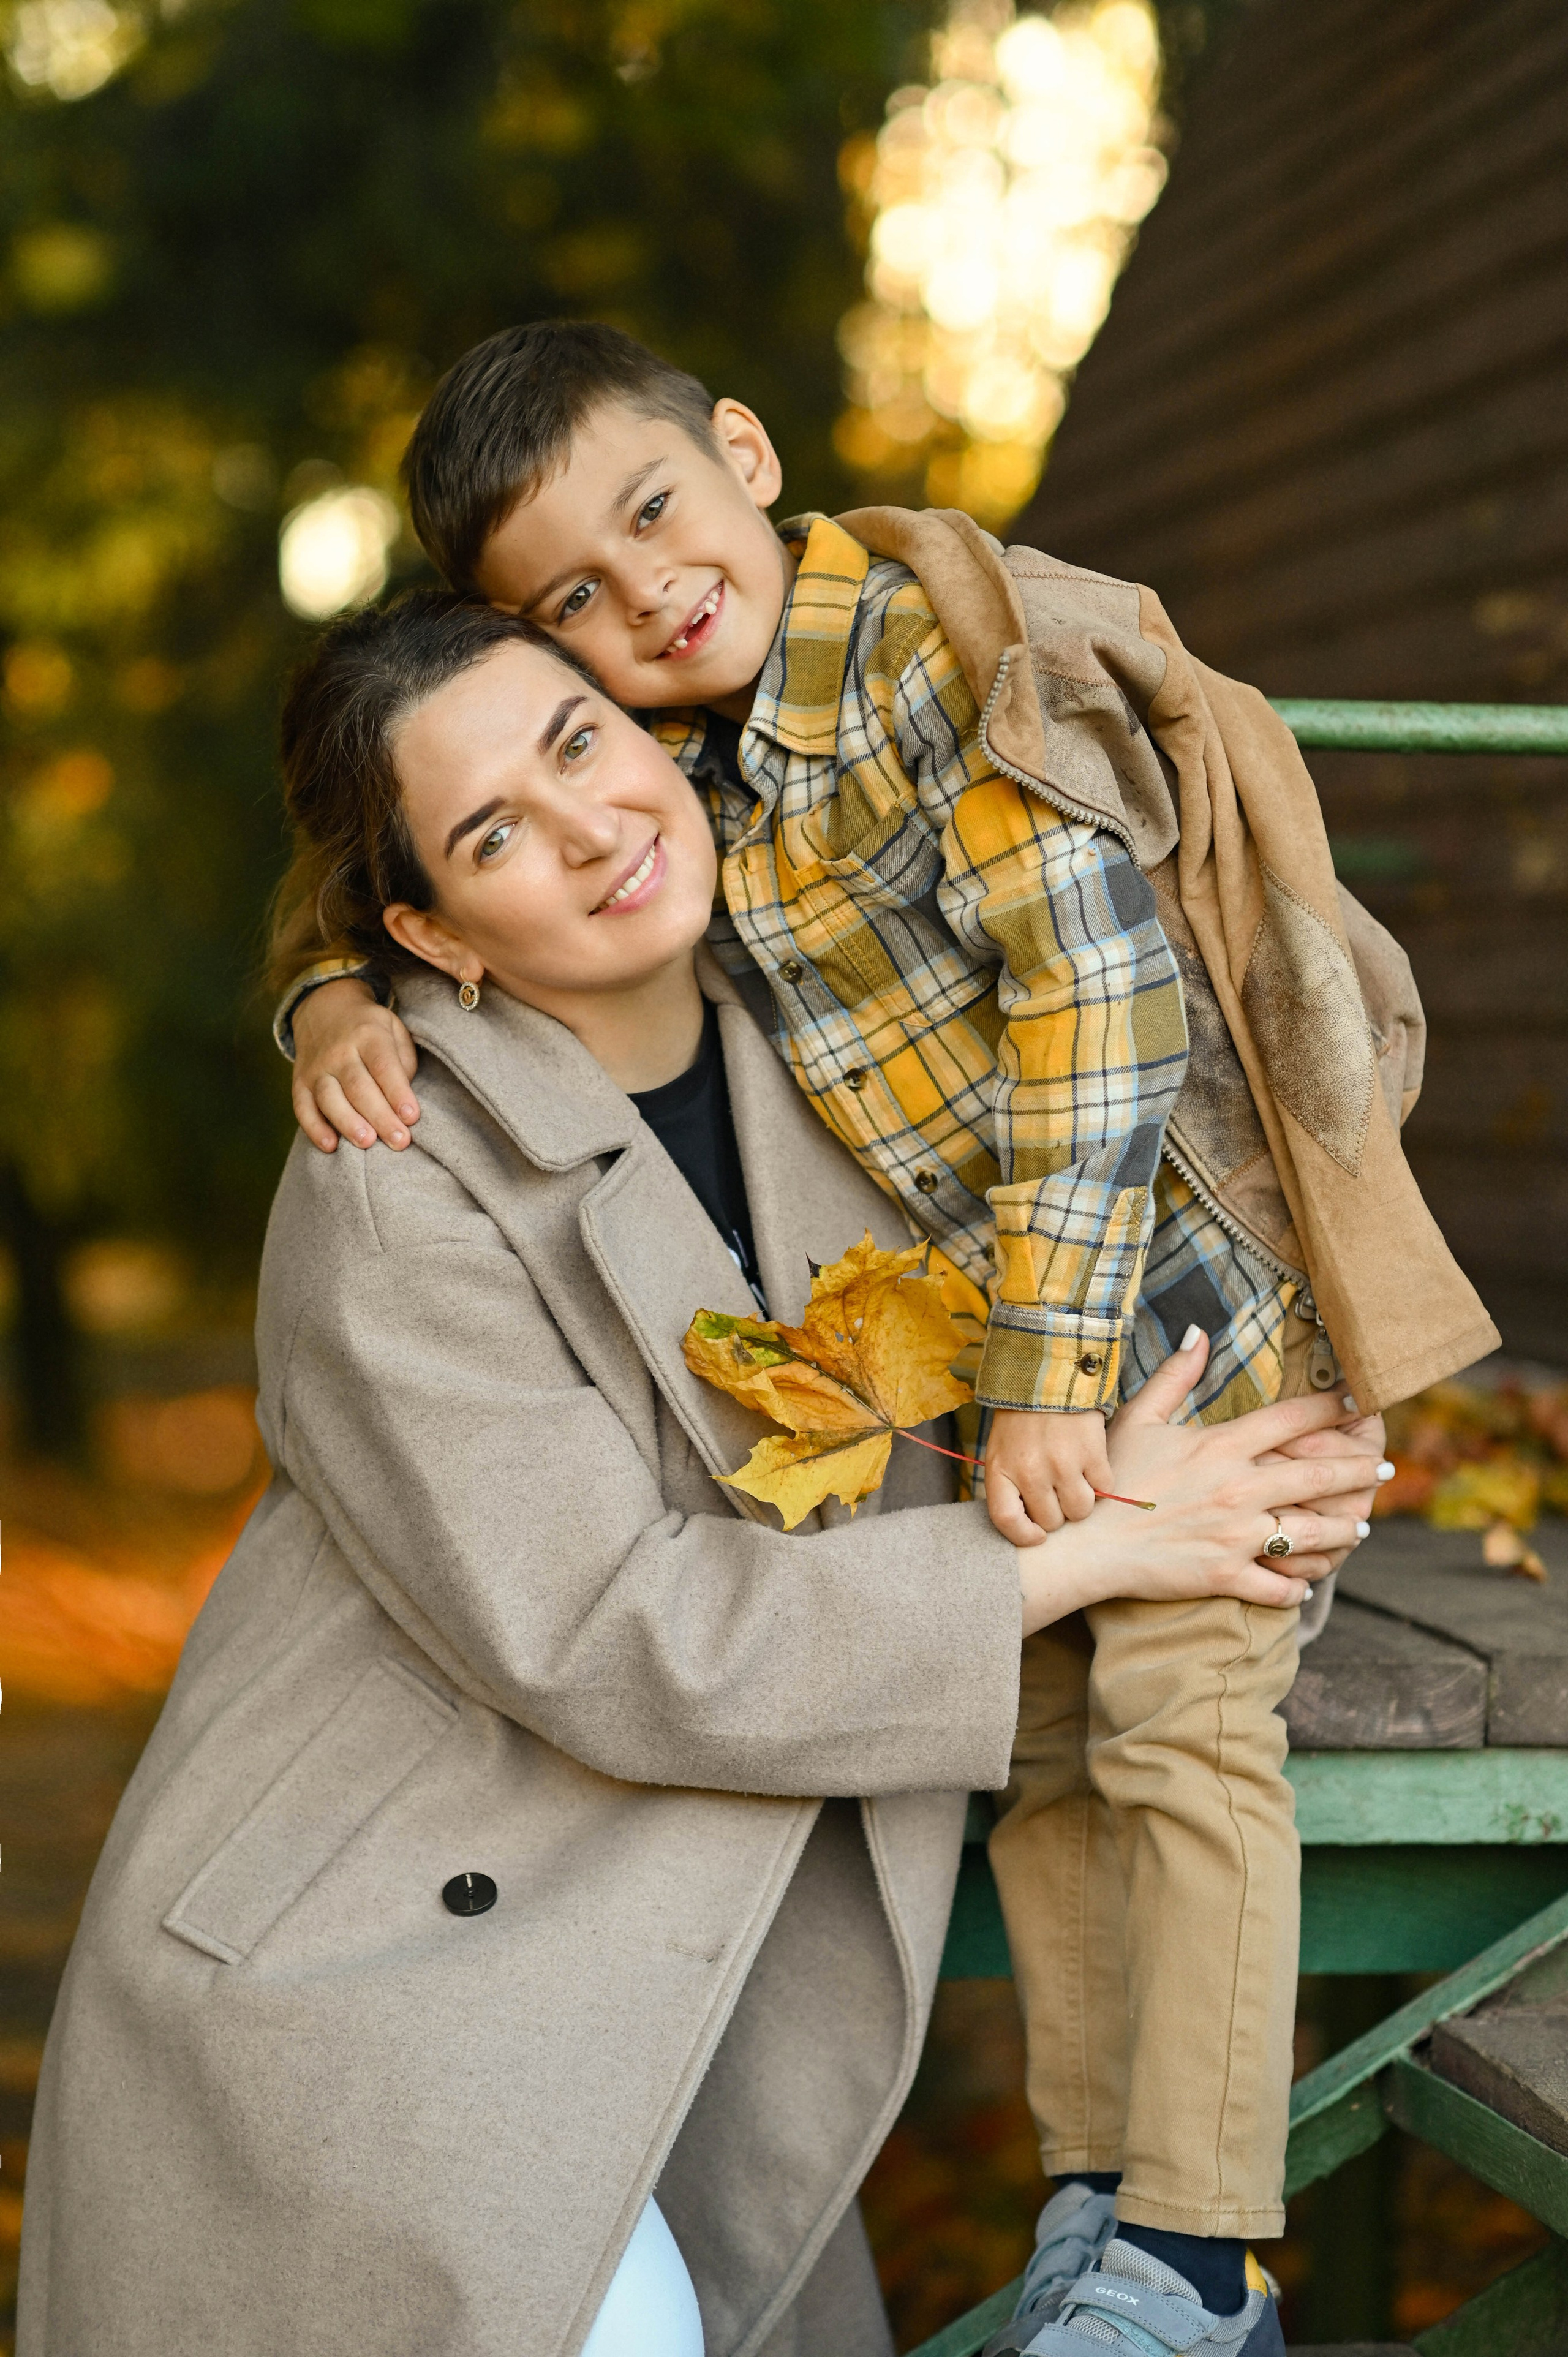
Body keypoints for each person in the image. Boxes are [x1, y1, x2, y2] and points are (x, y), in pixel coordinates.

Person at [267, 323, 1494, 2351]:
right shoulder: (723, 783)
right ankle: (1107, 2215)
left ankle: (1198, 2258)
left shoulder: (940, 662)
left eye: (655, 515)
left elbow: (1103, 1014)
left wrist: (1048, 1385)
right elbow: (408, 880)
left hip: (1174, 1302)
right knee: (1061, 1753)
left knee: (1182, 1720)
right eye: (572, 601)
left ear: (744, 452)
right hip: (1027, 1367)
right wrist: (322, 1002)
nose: (643, 594)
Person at [17, 595, 1387, 2357]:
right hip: (374, 1986)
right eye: (495, 831)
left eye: (580, 744)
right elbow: (611, 1630)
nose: (589, 832)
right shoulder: (392, 1182)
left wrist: (1256, 1476)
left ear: (661, 743)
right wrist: (1093, 1545)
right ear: (434, 931)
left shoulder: (862, 1062)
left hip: (682, 1976)